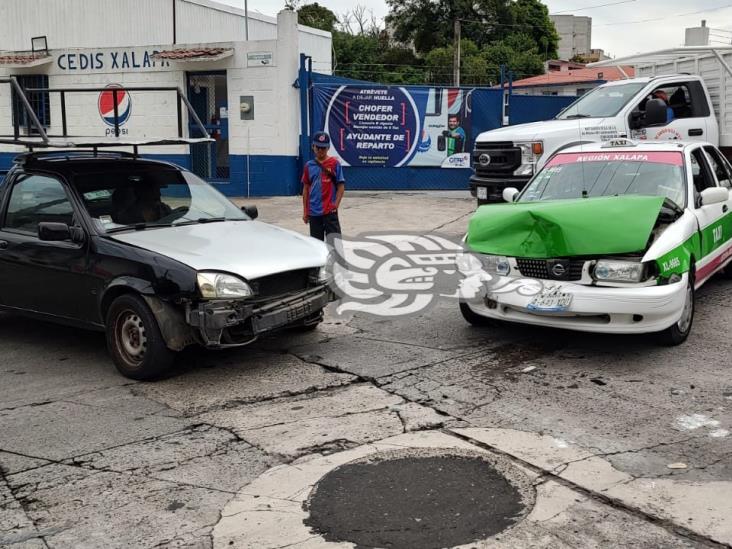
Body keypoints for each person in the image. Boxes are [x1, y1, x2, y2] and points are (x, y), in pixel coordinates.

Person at [301, 131, 345, 241]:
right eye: (318, 147)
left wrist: (335, 205)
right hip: (314, 213)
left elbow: (341, 186)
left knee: (335, 244)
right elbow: (306, 189)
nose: (320, 150)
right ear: (313, 147)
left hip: (330, 212)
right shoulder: (308, 166)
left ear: (328, 148)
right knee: (317, 245)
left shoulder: (335, 164)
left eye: (323, 148)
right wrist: (306, 212)